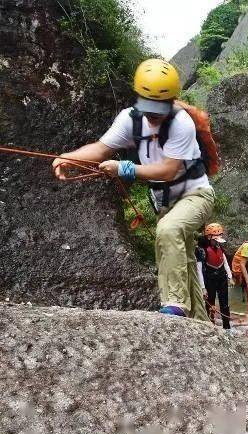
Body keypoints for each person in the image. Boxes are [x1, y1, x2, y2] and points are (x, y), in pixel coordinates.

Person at [52, 59, 213, 319]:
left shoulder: (181, 122)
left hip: (196, 194)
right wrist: (70, 157)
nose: (153, 113)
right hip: (167, 203)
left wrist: (125, 168)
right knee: (180, 260)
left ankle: (174, 305)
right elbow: (101, 148)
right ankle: (201, 326)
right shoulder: (129, 119)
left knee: (168, 229)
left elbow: (168, 170)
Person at [196, 223, 233, 330]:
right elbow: (199, 270)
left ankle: (227, 327)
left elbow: (224, 261)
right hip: (209, 279)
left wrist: (230, 277)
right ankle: (211, 326)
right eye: (215, 238)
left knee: (224, 304)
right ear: (209, 237)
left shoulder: (219, 246)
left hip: (221, 278)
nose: (217, 241)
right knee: (210, 303)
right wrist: (203, 288)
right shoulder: (202, 250)